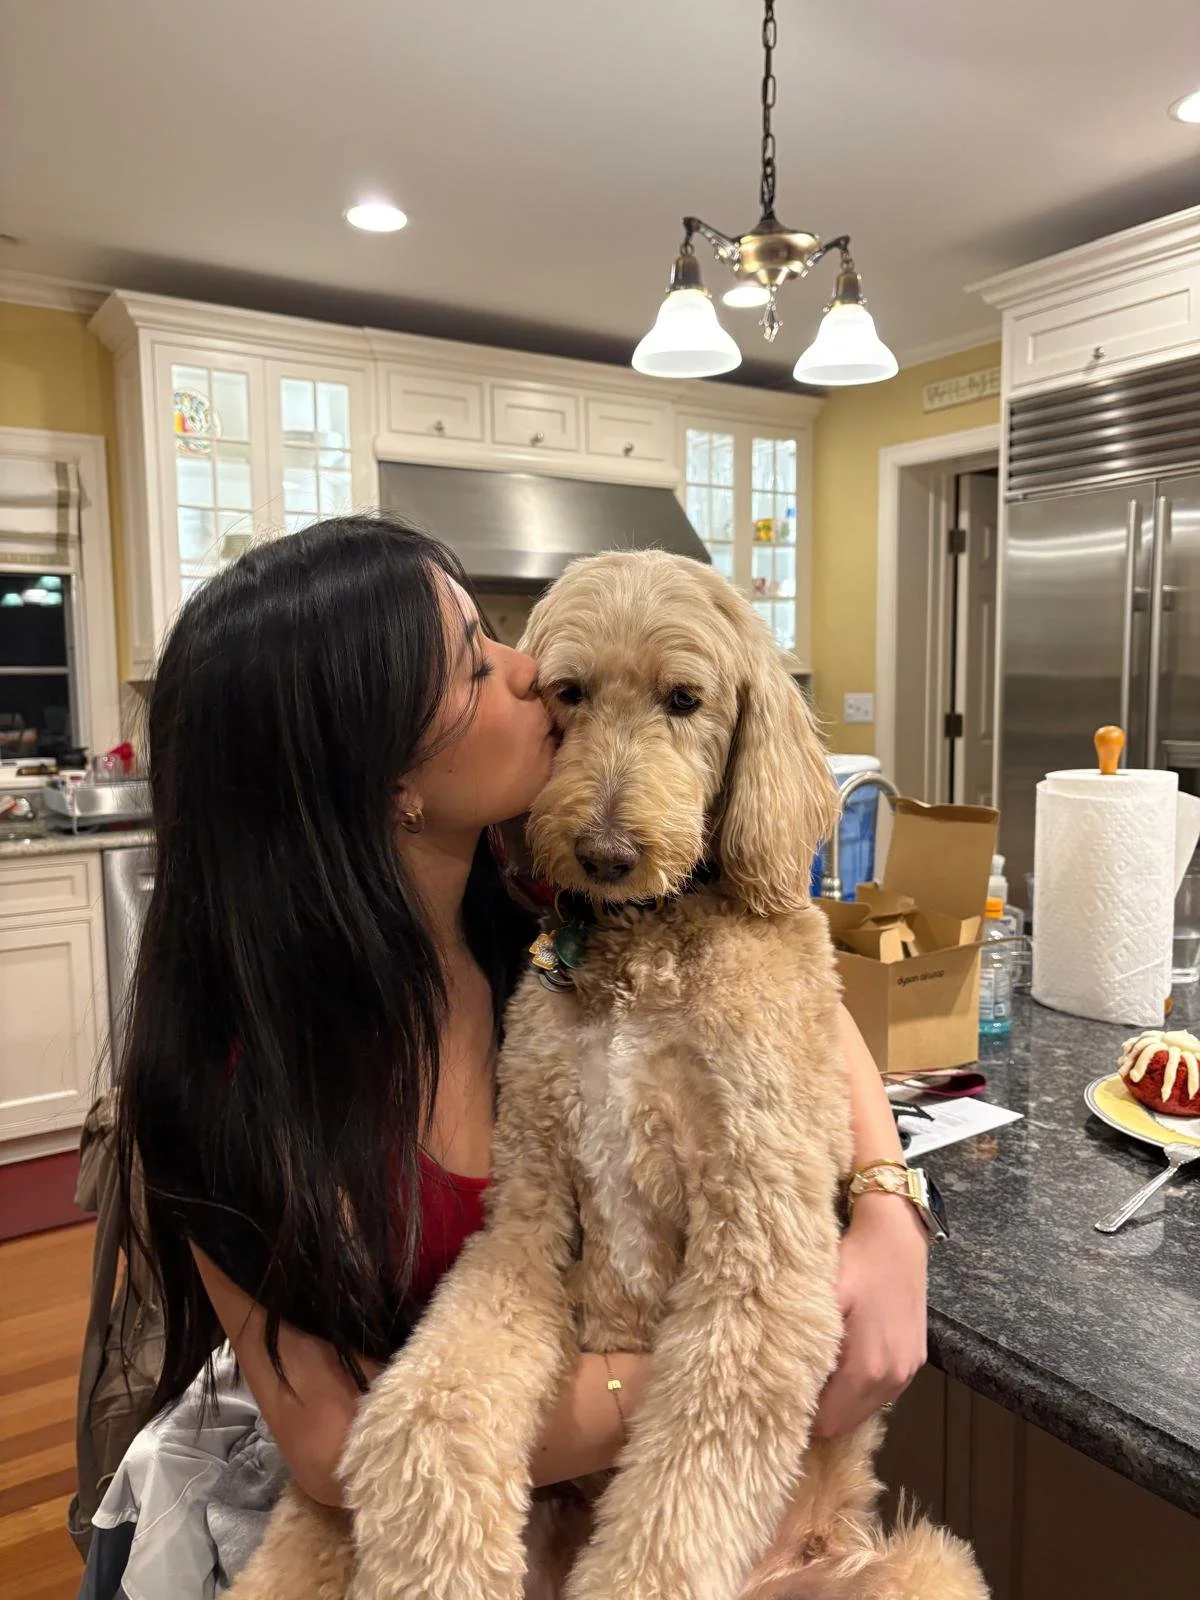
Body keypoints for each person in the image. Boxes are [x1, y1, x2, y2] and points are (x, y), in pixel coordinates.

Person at [109, 514, 928, 1586]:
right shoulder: (225, 1079)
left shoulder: (545, 916)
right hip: (437, 1510)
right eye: (474, 663)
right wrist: (694, 1379)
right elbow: (329, 1444)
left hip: (677, 1484)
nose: (530, 668)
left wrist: (884, 1202)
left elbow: (790, 1003)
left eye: (495, 636)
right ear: (382, 773)